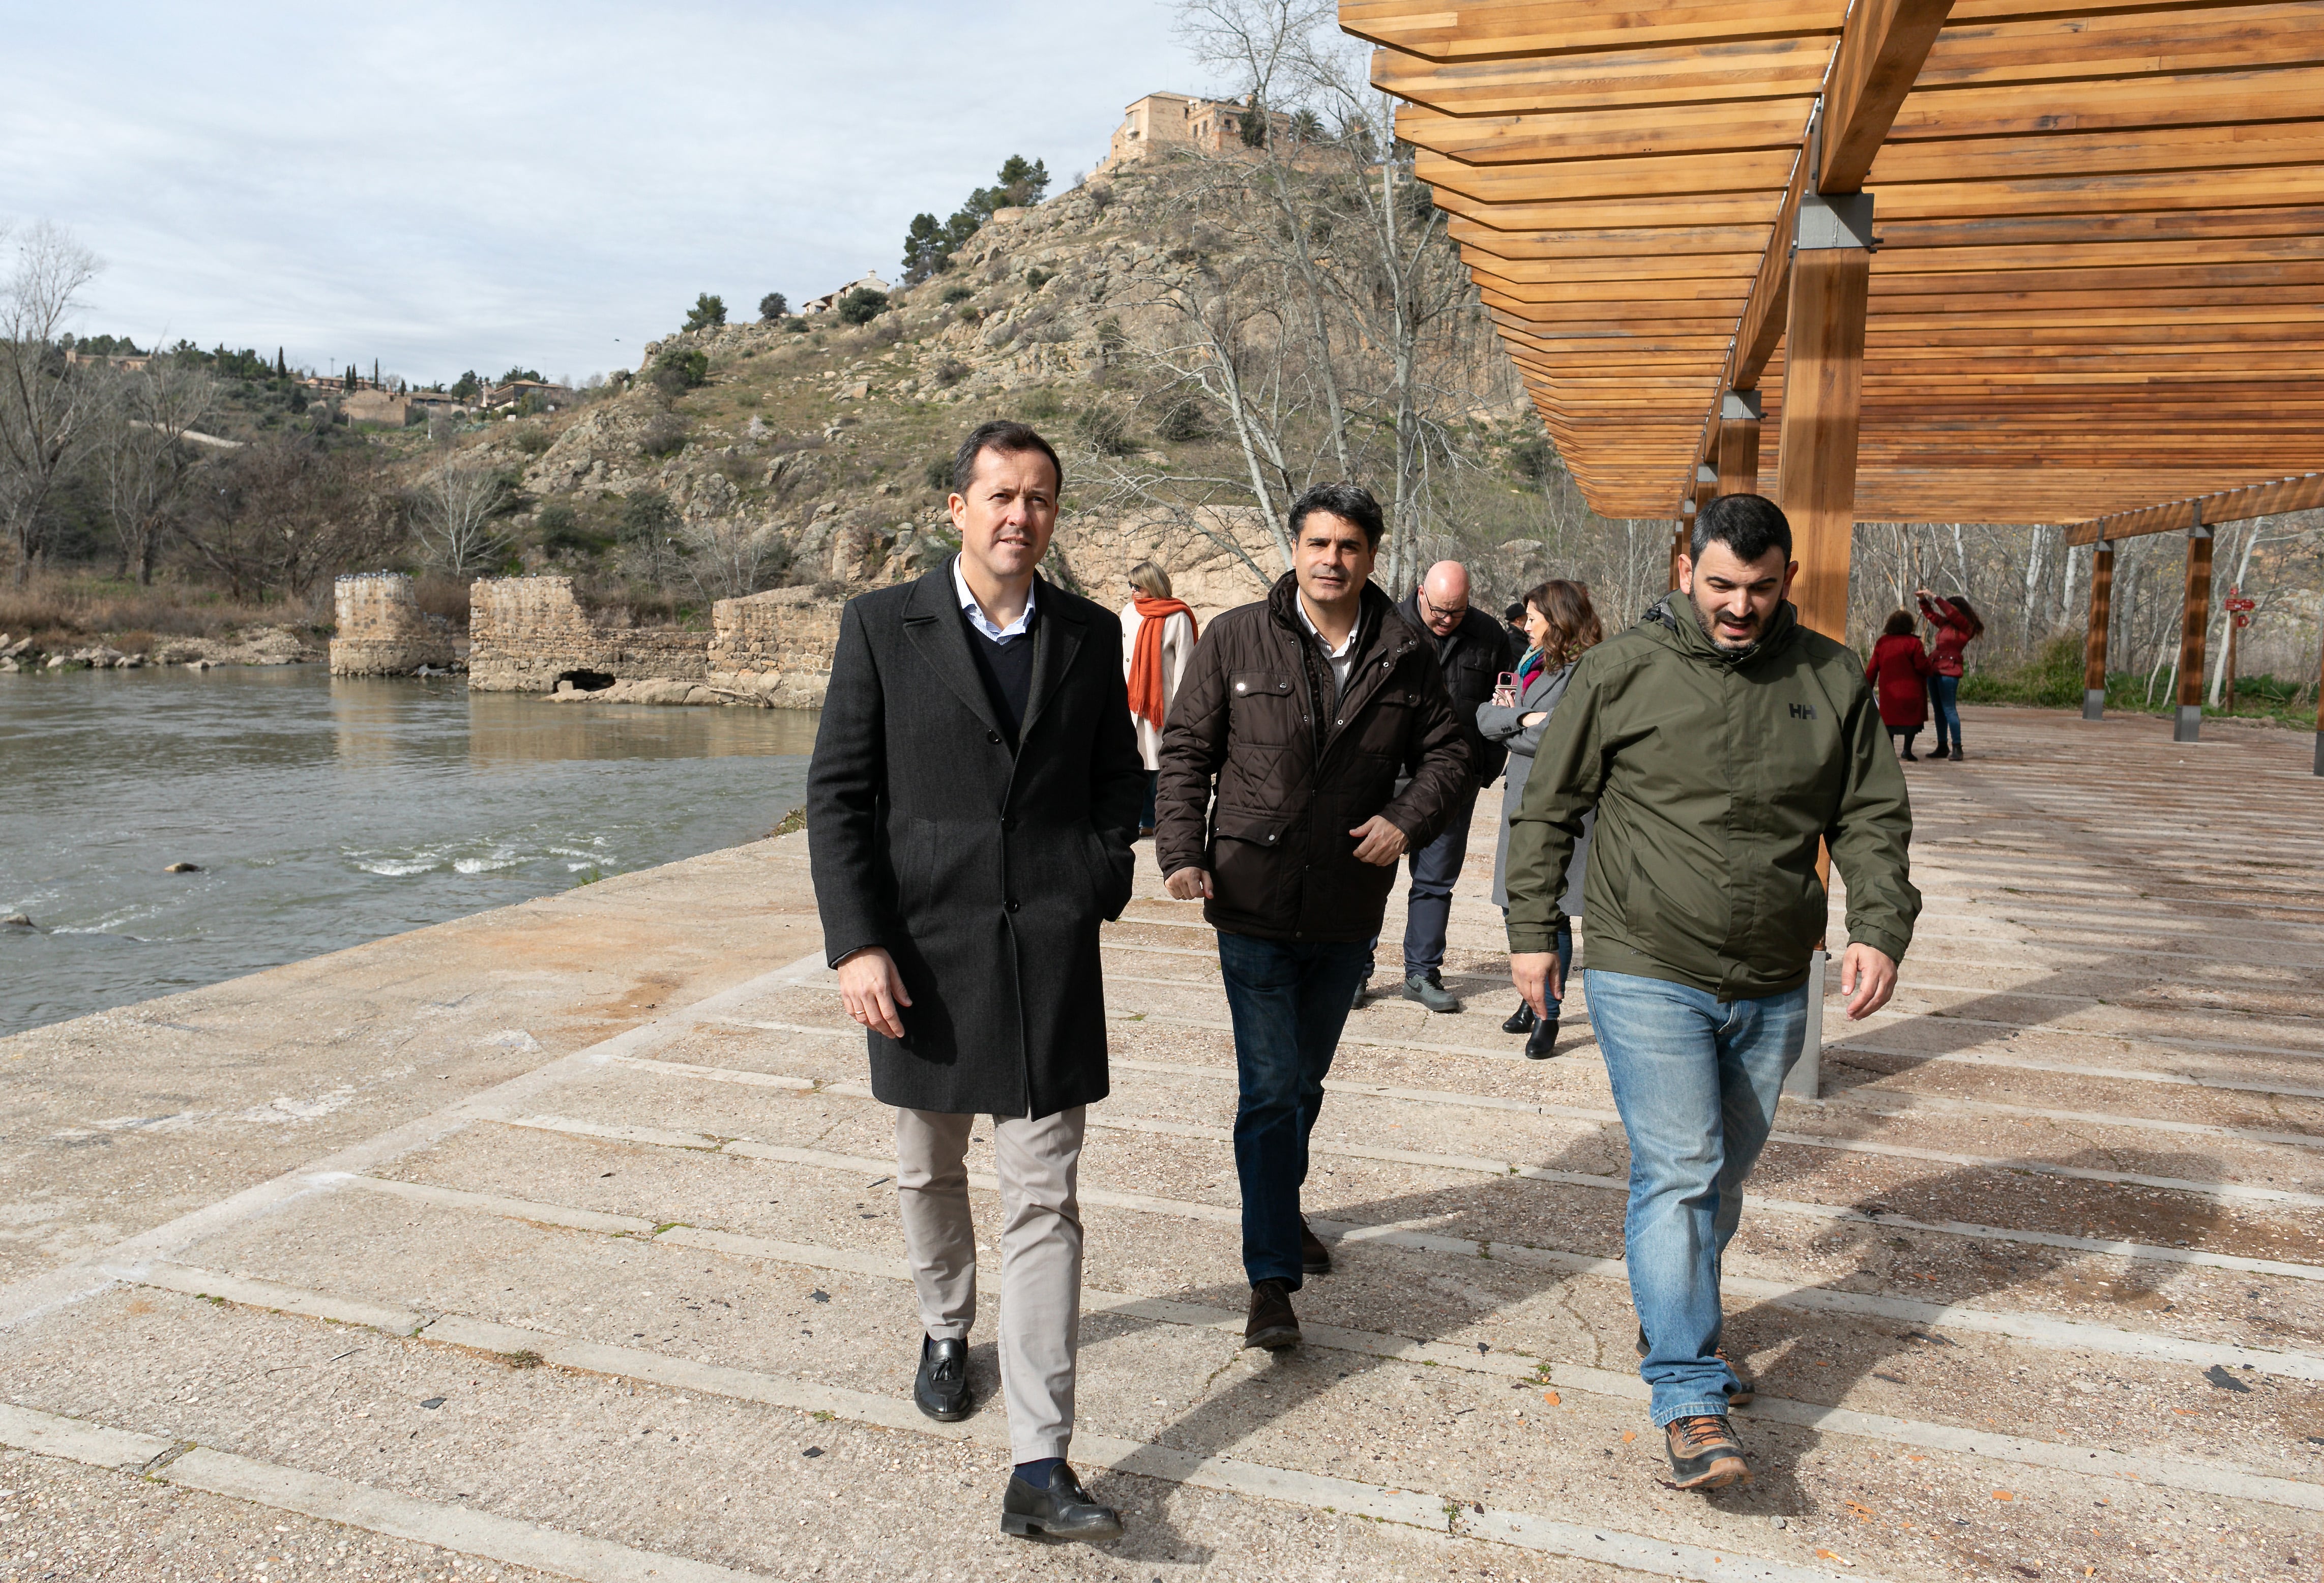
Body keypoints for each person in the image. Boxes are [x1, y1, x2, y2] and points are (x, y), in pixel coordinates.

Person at [1504, 492, 1919, 1492]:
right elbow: (1546, 806)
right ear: (1686, 566)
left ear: (1788, 580)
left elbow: (1869, 810)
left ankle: (1672, 1306)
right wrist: (1532, 935)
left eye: (1760, 588)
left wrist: (1876, 925)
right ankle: (1688, 1392)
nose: (1738, 606)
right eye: (1721, 584)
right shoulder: (1619, 671)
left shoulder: (1827, 674)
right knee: (1680, 1167)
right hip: (1647, 959)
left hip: (1776, 974)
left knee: (1720, 1174)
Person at [806, 419, 1145, 1544]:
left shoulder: (1093, 635)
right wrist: (857, 943)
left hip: (1048, 954)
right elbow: (838, 797)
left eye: (1040, 497)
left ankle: (1040, 1462)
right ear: (956, 508)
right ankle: (946, 1324)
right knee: (926, 1168)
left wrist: (1095, 877)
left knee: (1045, 1199)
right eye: (999, 494)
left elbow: (1115, 783)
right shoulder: (878, 626)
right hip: (920, 959)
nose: (1019, 514)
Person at [1155, 482, 1469, 1351]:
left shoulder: (1406, 650)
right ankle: (1269, 1283)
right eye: (1317, 543)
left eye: (1349, 547)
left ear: (1373, 556)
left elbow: (1449, 753)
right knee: (1267, 1088)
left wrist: (1407, 819)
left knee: (1301, 1082)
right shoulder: (1233, 636)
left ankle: (1278, 1209)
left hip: (1343, 905)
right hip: (1248, 897)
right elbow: (1186, 748)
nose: (1331, 560)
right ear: (1292, 547)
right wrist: (1181, 849)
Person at [1368, 559, 1512, 1013]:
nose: (1447, 620)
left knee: (1434, 883)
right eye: (1439, 610)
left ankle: (1422, 973)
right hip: (1386, 779)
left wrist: (1483, 771)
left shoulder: (1490, 636)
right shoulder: (1383, 627)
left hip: (1453, 782)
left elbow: (1499, 708)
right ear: (1419, 593)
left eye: (1457, 611)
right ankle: (1354, 969)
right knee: (1369, 876)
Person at [1476, 579, 1599, 1058]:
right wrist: (1522, 721)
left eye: (1532, 618)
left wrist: (1515, 722)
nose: (1523, 627)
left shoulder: (1585, 669)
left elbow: (1560, 739)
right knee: (1517, 907)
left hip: (1560, 807)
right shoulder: (1532, 663)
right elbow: (1485, 716)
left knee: (1552, 915)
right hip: (1519, 802)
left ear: (1559, 618)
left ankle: (1548, 1015)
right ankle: (1529, 1000)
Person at [1119, 561, 1198, 837]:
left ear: (1152, 585)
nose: (1132, 591)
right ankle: (1133, 817)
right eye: (1130, 585)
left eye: (1137, 586)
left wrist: (1180, 708)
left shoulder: (1178, 616)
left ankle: (1151, 820)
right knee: (1132, 762)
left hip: (1159, 705)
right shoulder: (1129, 612)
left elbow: (1185, 666)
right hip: (1130, 700)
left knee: (1157, 765)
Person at [1916, 588, 1982, 761]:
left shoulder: (1966, 627)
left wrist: (1936, 597)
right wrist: (1923, 600)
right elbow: (1930, 615)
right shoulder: (1946, 624)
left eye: (1951, 608)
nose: (1948, 611)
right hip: (1935, 669)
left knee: (1949, 709)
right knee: (1938, 711)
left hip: (1950, 672)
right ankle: (1942, 745)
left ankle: (1957, 747)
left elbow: (1951, 613)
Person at [1866, 610, 1933, 760]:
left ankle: (1890, 753)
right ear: (1909, 625)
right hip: (1911, 690)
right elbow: (1922, 666)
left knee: (1889, 722)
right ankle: (1907, 751)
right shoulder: (1914, 643)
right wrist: (1931, 669)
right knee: (1911, 722)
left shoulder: (1883, 643)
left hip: (1890, 691)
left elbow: (1873, 668)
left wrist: (1867, 685)